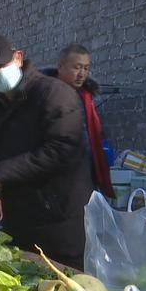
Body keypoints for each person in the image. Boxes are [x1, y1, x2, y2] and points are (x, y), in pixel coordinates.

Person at [0, 35, 93, 270]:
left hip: (59, 221)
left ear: (18, 58)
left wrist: (0, 175)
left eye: (1, 66)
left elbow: (61, 150)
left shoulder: (53, 94)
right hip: (17, 222)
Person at [42, 43, 115, 198]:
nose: (82, 74)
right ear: (60, 67)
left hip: (84, 175)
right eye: (77, 67)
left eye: (86, 68)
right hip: (55, 178)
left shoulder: (86, 97)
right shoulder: (44, 95)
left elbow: (92, 134)